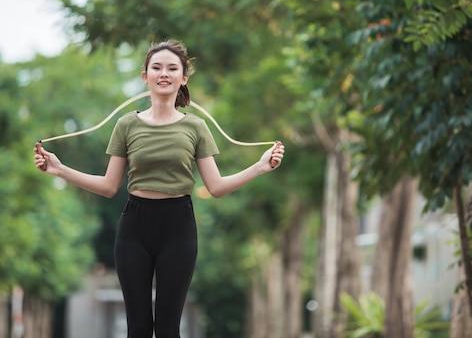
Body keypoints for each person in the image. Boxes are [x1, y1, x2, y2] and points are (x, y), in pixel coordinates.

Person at [33, 39, 285, 338]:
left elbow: (215, 186)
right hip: (134, 227)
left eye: (172, 68)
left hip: (178, 226)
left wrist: (260, 167)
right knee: (138, 328)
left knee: (167, 329)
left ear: (183, 77)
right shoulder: (126, 125)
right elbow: (109, 185)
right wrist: (60, 169)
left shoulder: (196, 127)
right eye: (156, 67)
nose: (164, 73)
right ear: (145, 76)